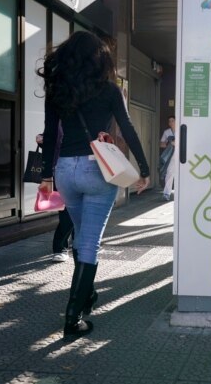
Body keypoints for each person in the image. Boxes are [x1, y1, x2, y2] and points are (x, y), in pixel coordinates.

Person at [37, 31, 150, 339]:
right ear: (100, 58)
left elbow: (49, 133)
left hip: (65, 172)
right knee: (89, 243)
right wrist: (145, 168)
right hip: (98, 172)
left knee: (81, 236)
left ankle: (86, 295)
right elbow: (127, 128)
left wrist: (47, 175)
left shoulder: (57, 89)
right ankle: (73, 319)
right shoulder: (110, 90)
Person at [36, 130, 73, 263]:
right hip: (61, 173)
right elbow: (51, 141)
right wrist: (42, 139)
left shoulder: (89, 119)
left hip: (86, 172)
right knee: (67, 215)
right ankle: (60, 248)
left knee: (84, 212)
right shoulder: (60, 122)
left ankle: (80, 242)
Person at [159, 116, 176, 201]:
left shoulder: (182, 130)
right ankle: (166, 193)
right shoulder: (167, 132)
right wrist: (170, 143)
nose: (171, 122)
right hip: (170, 156)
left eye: (172, 120)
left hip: (181, 155)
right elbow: (161, 144)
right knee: (169, 173)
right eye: (169, 121)